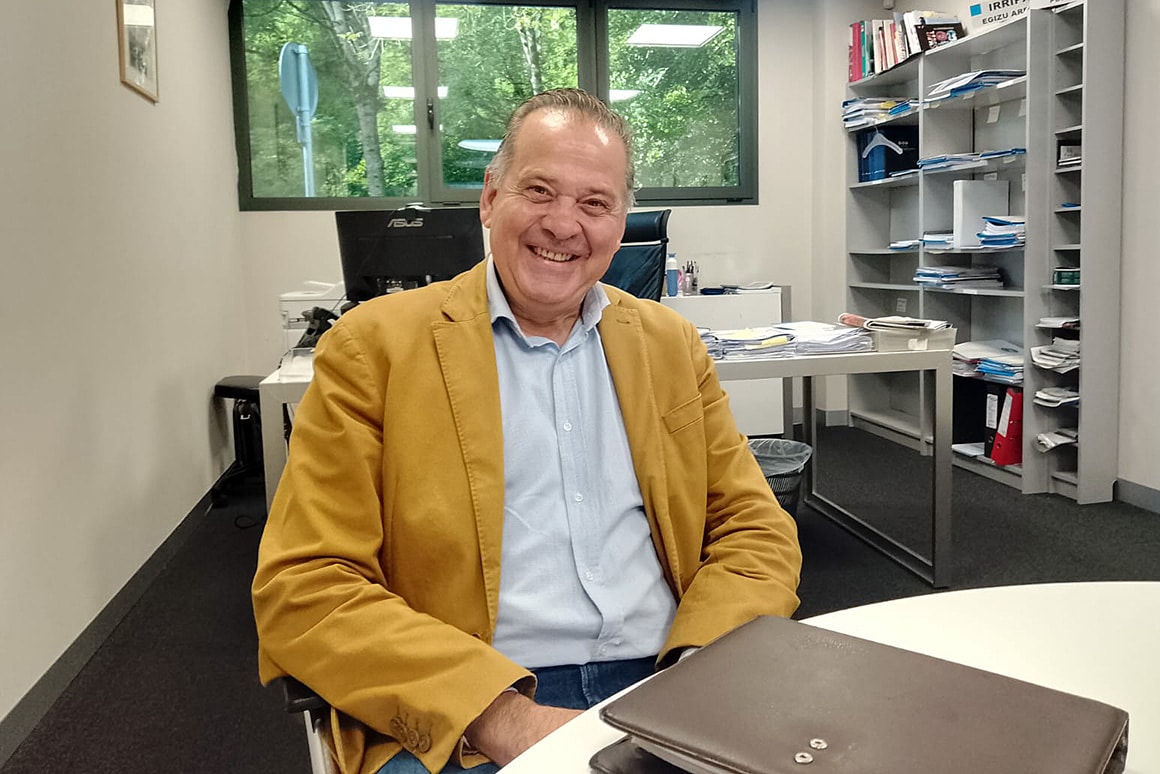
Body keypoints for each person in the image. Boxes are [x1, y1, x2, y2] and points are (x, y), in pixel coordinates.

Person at [252, 88, 802, 774]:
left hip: (669, 676)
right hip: (469, 702)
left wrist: (702, 661)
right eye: (539, 190)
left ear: (620, 223)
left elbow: (755, 527)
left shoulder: (669, 343)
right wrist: (502, 718)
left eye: (595, 203)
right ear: (490, 197)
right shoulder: (374, 348)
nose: (563, 224)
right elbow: (306, 583)